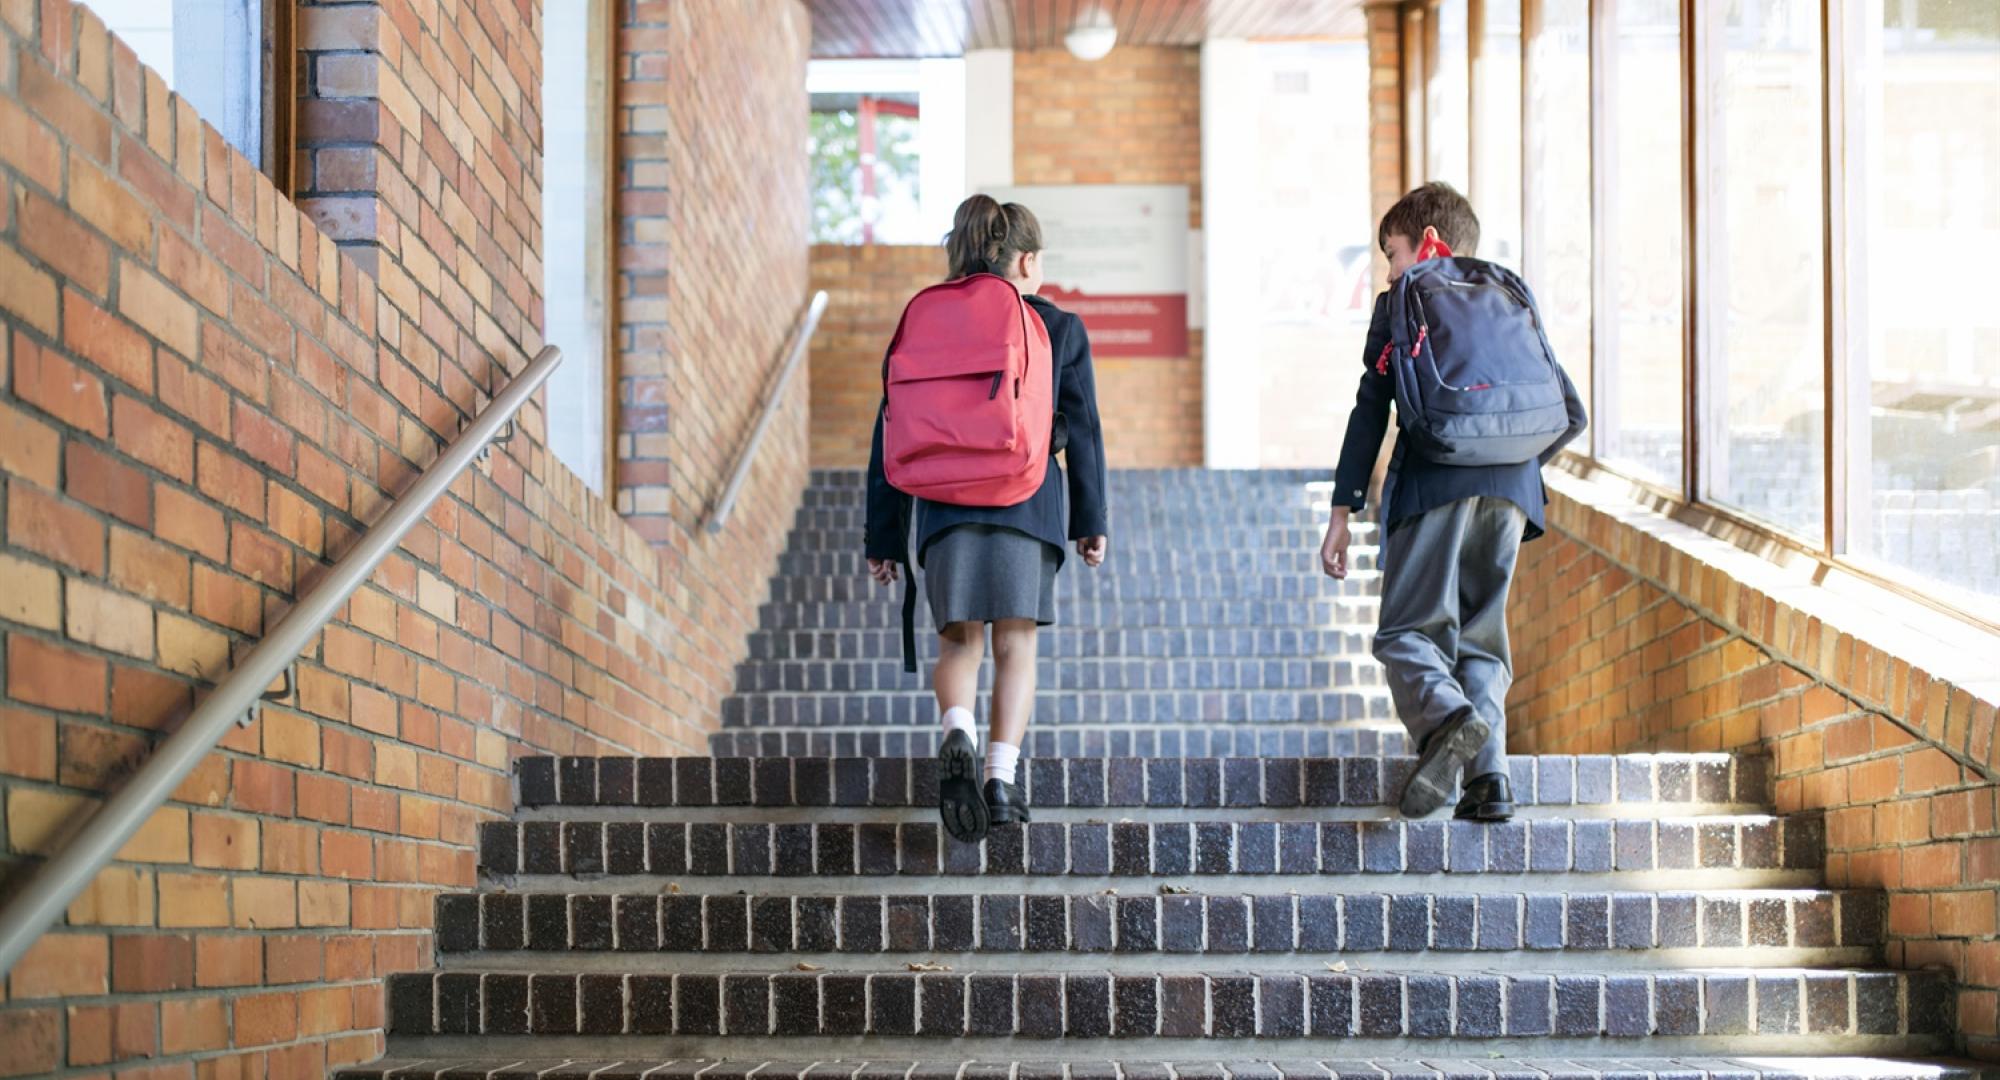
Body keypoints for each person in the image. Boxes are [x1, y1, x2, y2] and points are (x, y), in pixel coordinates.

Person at [1320, 182, 1587, 823]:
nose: (1389, 269)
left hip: (1435, 479)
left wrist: (1342, 509)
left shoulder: (1403, 302)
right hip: (1514, 489)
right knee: (1481, 640)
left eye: (1392, 253)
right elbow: (1553, 400)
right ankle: (1489, 779)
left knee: (1408, 632)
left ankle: (1447, 719)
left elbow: (1371, 409)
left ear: (1427, 244)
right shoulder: (1504, 294)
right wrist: (1512, 476)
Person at [865, 194, 1110, 844]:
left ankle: (957, 730)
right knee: (1015, 647)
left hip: (943, 506)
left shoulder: (929, 319)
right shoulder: (1058, 327)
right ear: (1026, 259)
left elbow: (887, 428)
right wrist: (1091, 520)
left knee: (959, 644)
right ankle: (1000, 780)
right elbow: (1081, 429)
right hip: (1025, 501)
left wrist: (882, 533)